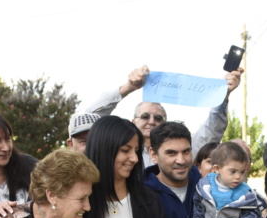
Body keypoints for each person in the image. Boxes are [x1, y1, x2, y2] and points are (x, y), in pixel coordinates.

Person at [77, 65, 243, 167]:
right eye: (145, 116)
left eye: (158, 118)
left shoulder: (180, 151)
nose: (151, 121)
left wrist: (223, 94)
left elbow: (211, 132)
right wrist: (127, 88)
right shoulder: (117, 149)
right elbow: (89, 119)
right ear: (133, 122)